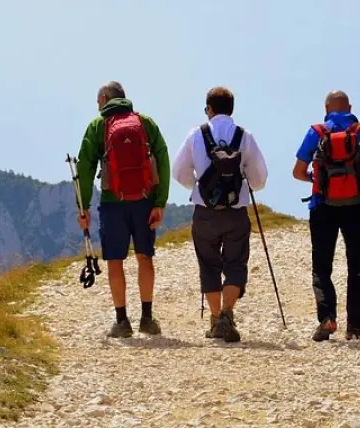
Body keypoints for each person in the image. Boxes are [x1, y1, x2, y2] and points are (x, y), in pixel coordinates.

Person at [292, 90, 360, 341]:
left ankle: (327, 319)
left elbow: (297, 171)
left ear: (326, 108)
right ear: (350, 106)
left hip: (322, 207)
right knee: (358, 266)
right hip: (356, 207)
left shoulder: (316, 132)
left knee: (322, 267)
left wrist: (314, 178)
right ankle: (356, 325)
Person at [171, 86, 268, 342]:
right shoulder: (244, 136)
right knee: (236, 263)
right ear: (232, 109)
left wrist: (197, 187)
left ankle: (216, 320)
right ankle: (227, 314)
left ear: (209, 109)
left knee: (208, 264)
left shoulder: (196, 135)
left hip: (205, 211)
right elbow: (260, 177)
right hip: (235, 211)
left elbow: (179, 172)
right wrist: (247, 186)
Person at [76, 81, 171, 338]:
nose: (98, 107)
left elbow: (84, 169)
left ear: (105, 98)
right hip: (143, 200)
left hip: (112, 203)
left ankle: (121, 321)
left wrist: (83, 206)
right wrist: (159, 202)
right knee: (144, 257)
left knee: (115, 261)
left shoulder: (98, 126)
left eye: (98, 103)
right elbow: (162, 159)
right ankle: (147, 318)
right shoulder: (145, 123)